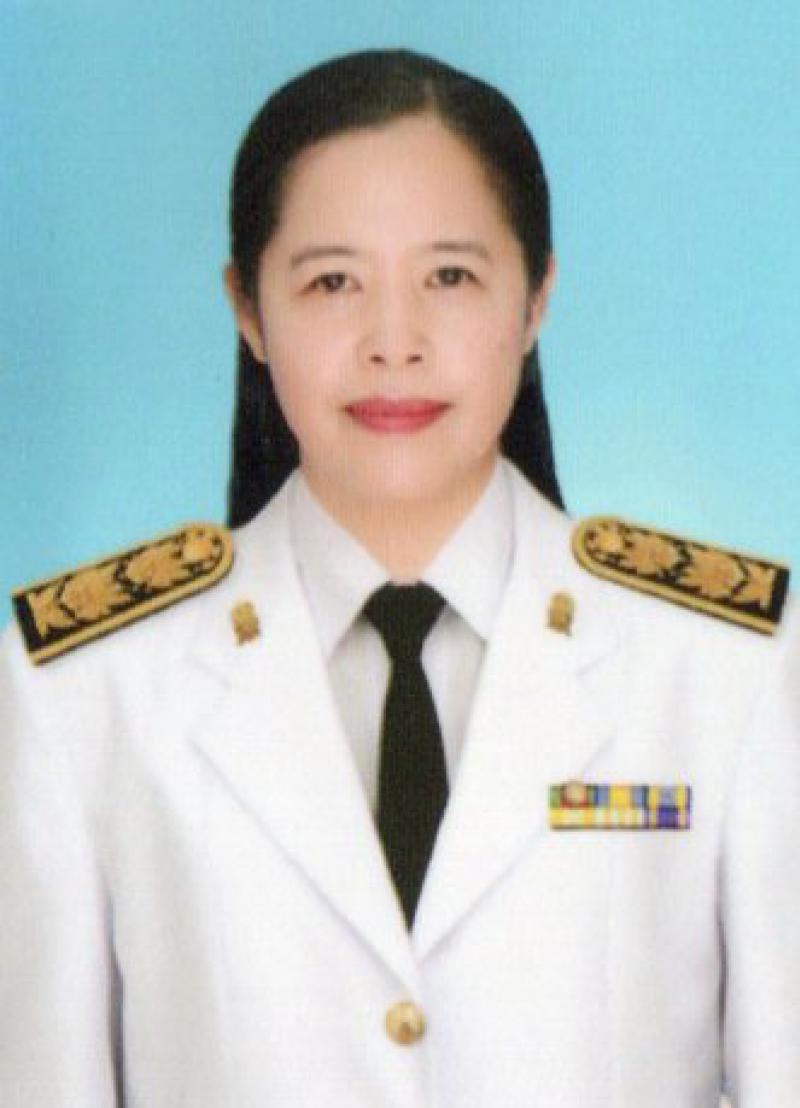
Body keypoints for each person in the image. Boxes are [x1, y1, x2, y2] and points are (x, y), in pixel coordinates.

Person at [1, 48, 797, 1108]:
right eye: (332, 282)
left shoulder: (724, 670)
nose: (394, 343)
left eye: (450, 278)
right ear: (247, 309)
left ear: (537, 298)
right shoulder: (83, 692)